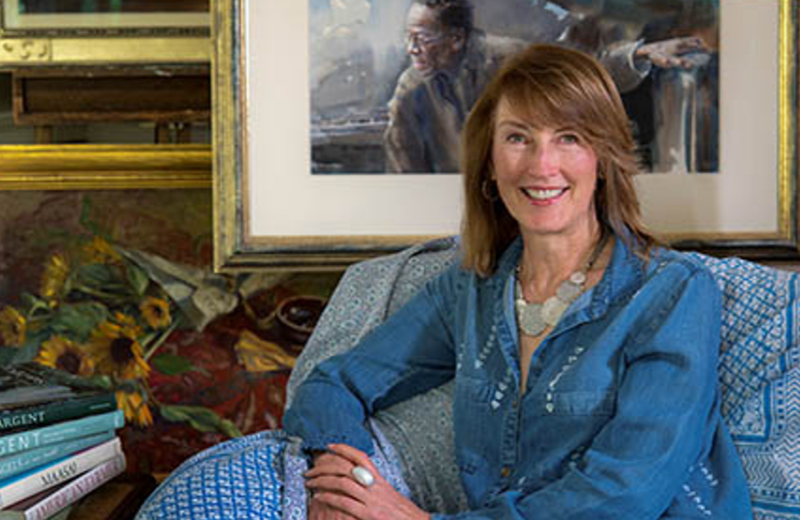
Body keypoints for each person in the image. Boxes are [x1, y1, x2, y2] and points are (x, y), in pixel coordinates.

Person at [136, 44, 752, 519]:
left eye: (569, 138)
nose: (541, 165)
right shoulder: (475, 289)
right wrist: (348, 481)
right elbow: (333, 384)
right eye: (518, 138)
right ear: (489, 160)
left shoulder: (672, 293)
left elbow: (628, 493)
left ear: (605, 159)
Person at [384, 0, 711, 174]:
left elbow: (580, 71)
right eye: (407, 38)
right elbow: (401, 161)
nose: (411, 49)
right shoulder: (411, 86)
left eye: (422, 39)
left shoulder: (506, 57)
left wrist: (639, 53)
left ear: (456, 39)